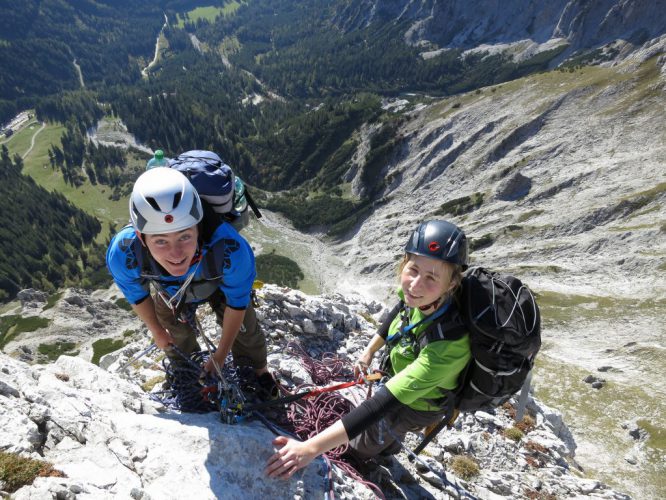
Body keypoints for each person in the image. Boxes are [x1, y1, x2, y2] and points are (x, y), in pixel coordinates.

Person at [265, 219, 472, 478]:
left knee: (365, 441)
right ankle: (387, 446)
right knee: (384, 428)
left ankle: (368, 454)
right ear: (405, 263)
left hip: (420, 404)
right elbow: (400, 312)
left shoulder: (449, 345)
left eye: (431, 277)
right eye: (413, 270)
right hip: (403, 382)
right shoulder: (420, 298)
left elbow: (381, 404)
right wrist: (369, 351)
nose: (415, 285)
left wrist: (309, 448)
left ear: (451, 284)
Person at [106, 167, 277, 397]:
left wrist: (220, 355)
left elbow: (237, 304)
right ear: (140, 237)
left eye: (185, 236)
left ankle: (258, 372)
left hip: (217, 284)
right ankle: (187, 371)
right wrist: (157, 331)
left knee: (245, 327)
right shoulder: (124, 253)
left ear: (198, 227)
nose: (176, 254)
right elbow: (137, 295)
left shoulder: (230, 248)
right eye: (161, 241)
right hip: (172, 292)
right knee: (171, 328)